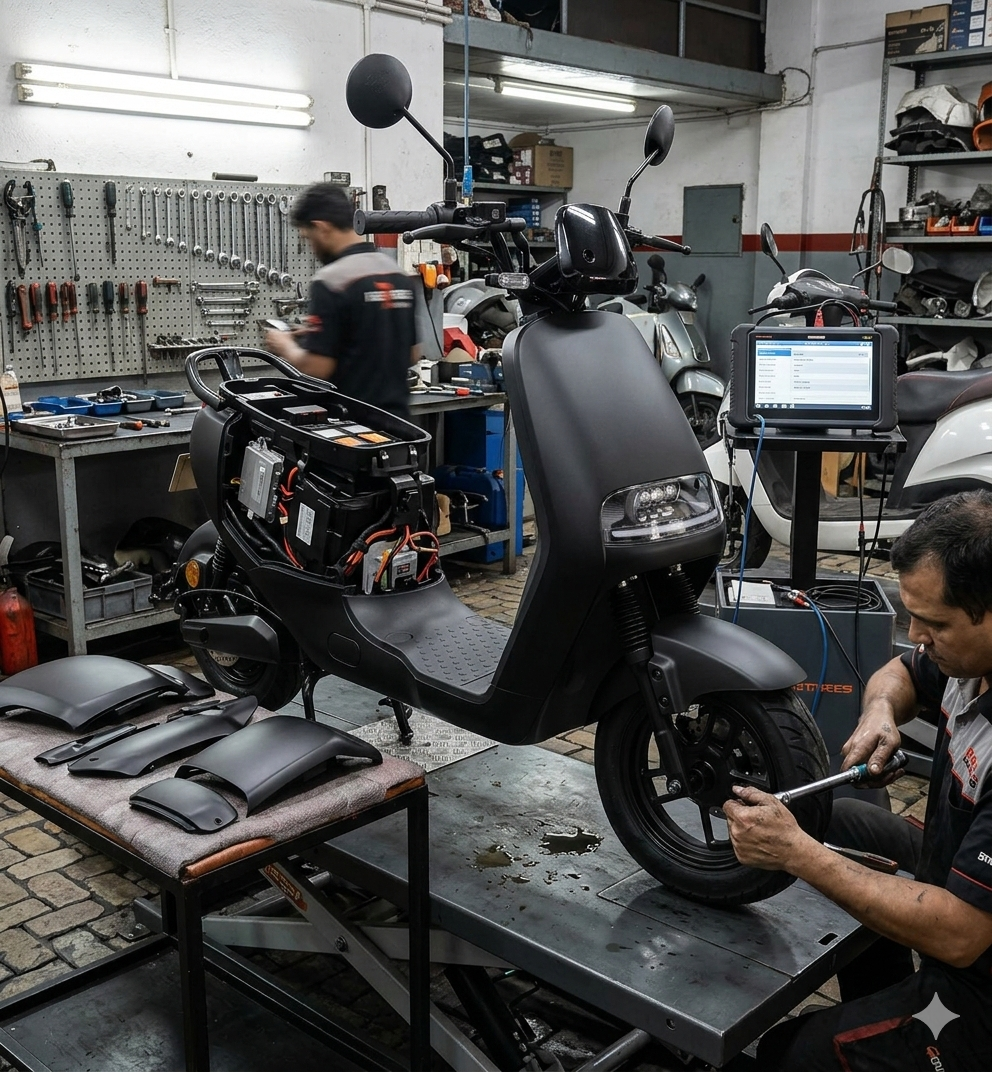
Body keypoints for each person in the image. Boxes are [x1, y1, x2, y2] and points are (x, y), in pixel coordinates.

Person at [724, 491, 992, 1071]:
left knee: (787, 1054)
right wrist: (880, 714)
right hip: (954, 882)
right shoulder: (968, 659)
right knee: (844, 821)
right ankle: (884, 993)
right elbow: (898, 672)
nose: (917, 634)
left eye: (935, 622)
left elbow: (962, 935)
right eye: (911, 614)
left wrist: (796, 853)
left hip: (983, 987)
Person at [265, 182, 417, 417]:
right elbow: (412, 354)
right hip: (398, 425)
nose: (311, 247)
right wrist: (327, 335)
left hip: (352, 431)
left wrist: (285, 346)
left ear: (322, 227)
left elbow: (317, 367)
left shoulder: (330, 281)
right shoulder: (398, 275)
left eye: (308, 237)